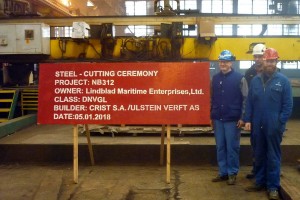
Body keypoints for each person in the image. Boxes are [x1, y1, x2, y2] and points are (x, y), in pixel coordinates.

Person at [244, 48, 293, 200]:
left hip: (274, 124)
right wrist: (247, 120)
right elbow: (250, 102)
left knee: (273, 155)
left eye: (273, 61)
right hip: (257, 123)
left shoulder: (283, 81)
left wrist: (280, 122)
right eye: (268, 60)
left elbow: (288, 105)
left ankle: (272, 186)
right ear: (263, 61)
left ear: (276, 62)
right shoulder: (256, 80)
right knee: (258, 153)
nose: (270, 63)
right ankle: (259, 181)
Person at [211, 50, 248, 185]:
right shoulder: (215, 79)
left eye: (225, 62)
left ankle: (232, 172)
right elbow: (213, 98)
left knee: (232, 147)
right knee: (220, 147)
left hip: (233, 120)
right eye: (221, 61)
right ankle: (223, 173)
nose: (223, 64)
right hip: (218, 119)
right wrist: (212, 116)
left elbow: (245, 99)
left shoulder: (240, 78)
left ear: (231, 63)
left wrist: (242, 117)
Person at [244, 43, 266, 179]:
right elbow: (247, 97)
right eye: (256, 56)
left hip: (270, 115)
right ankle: (256, 169)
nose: (258, 59)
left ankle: (270, 169)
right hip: (255, 117)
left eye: (260, 56)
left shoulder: (274, 72)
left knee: (270, 145)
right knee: (255, 144)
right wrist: (247, 118)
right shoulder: (249, 73)